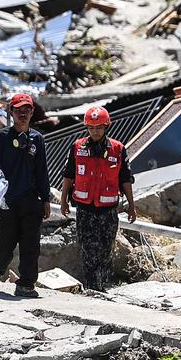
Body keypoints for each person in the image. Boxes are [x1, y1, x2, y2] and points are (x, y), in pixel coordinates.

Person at [59, 106, 136, 291]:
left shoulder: (118, 149)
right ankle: (92, 289)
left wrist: (132, 205)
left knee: (105, 251)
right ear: (86, 127)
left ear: (106, 127)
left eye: (99, 127)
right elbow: (69, 175)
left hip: (108, 210)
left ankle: (103, 287)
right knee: (89, 251)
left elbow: (125, 179)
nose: (95, 131)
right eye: (91, 127)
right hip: (85, 210)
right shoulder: (77, 148)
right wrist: (63, 200)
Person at [0, 93, 51, 298]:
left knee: (31, 246)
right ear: (11, 112)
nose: (23, 113)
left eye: (27, 110)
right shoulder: (2, 137)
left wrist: (45, 199)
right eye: (18, 110)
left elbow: (42, 172)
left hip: (31, 201)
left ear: (32, 113)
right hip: (7, 201)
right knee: (6, 243)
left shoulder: (37, 139)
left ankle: (26, 284)